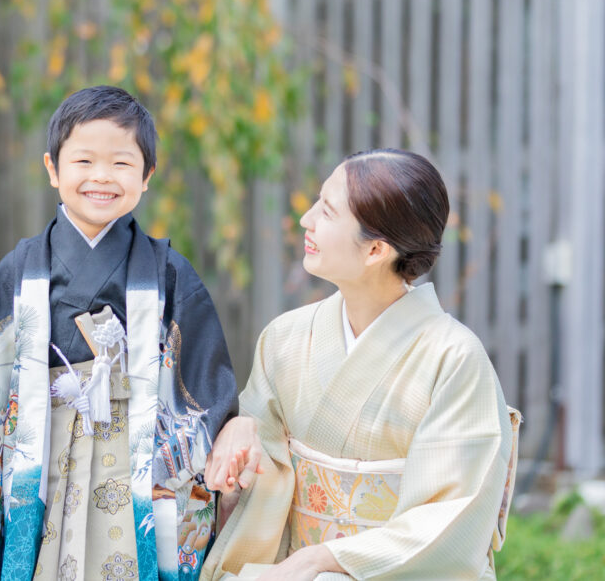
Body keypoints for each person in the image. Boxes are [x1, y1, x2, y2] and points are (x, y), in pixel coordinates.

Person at [0, 86, 238, 580]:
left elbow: (203, 378)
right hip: (42, 447)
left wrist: (224, 430)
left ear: (147, 177)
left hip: (136, 454)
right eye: (83, 161)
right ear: (53, 169)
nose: (101, 177)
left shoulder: (168, 272)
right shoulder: (20, 269)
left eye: (121, 164)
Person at [201, 149, 519, 580]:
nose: (306, 219)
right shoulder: (286, 338)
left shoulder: (454, 359)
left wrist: (321, 560)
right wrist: (241, 440)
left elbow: (450, 521)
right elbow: (263, 473)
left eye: (327, 212)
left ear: (375, 250)